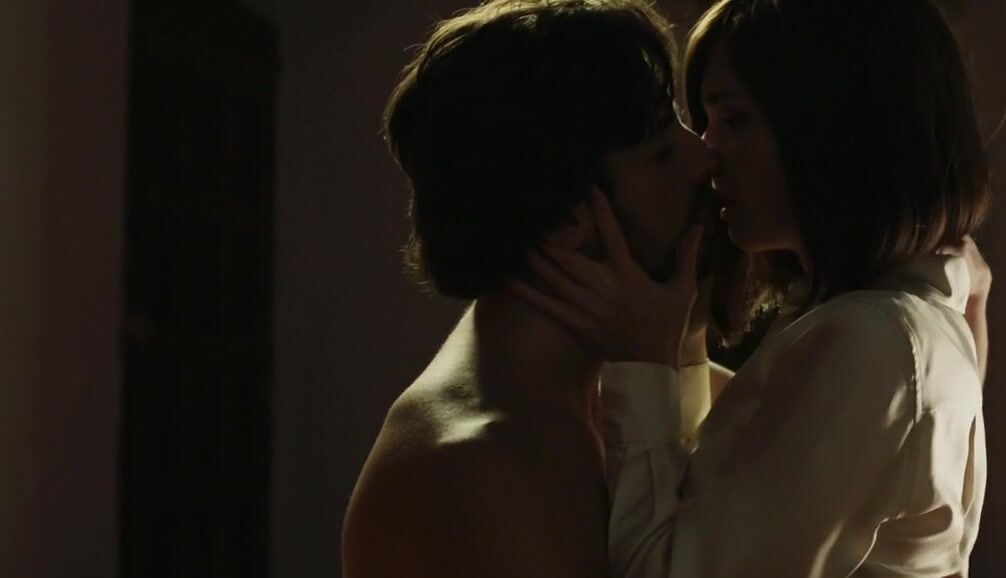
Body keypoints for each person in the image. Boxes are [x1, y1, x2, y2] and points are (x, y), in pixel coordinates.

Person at [514, 0, 993, 575]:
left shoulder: (874, 340)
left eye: (734, 119)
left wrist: (643, 358)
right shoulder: (885, 320)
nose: (705, 152)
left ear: (832, 125)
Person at [341, 1, 717, 576]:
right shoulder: (482, 465)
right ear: (568, 216)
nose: (704, 157)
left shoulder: (587, 396)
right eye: (662, 151)